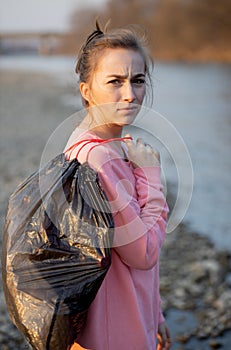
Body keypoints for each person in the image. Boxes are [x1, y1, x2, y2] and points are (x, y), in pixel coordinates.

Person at [65, 21, 172, 350]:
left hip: (124, 317)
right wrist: (152, 176)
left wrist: (155, 314)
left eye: (137, 80)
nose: (130, 94)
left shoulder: (104, 145)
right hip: (111, 333)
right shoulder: (99, 159)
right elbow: (144, 253)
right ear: (86, 90)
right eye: (115, 81)